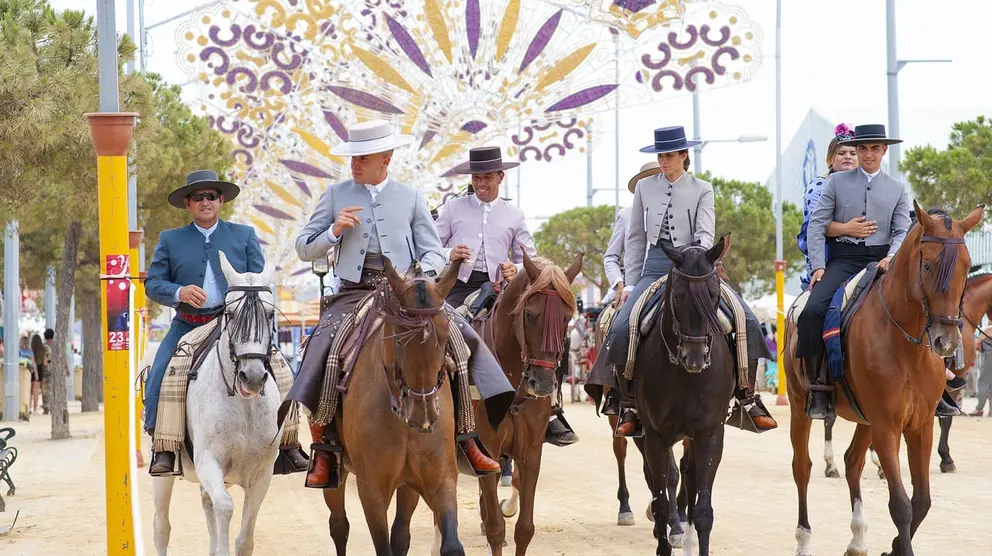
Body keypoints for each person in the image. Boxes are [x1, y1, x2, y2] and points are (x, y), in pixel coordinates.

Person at [283, 120, 514, 489]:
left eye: (363, 157)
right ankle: (324, 447)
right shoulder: (335, 195)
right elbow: (303, 246)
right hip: (353, 291)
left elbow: (432, 251)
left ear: (385, 159)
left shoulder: (411, 197)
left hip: (406, 292)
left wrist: (425, 282)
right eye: (353, 158)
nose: (355, 164)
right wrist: (333, 232)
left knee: (458, 335)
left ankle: (468, 437)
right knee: (321, 348)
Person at [594, 126, 778, 437]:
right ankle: (626, 401)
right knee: (623, 325)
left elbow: (706, 234)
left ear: (684, 156)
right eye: (660, 155)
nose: (663, 161)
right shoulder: (644, 189)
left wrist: (697, 264)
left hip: (694, 267)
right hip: (653, 267)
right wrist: (629, 284)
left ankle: (748, 396)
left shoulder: (703, 188)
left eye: (668, 155)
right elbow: (637, 239)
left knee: (745, 318)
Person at [144, 170, 310, 476]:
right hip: (187, 324)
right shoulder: (170, 240)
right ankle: (163, 446)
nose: (205, 202)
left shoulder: (243, 235)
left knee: (283, 370)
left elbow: (260, 281)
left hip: (234, 325)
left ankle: (289, 443)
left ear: (221, 201)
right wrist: (178, 291)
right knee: (161, 369)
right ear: (187, 204)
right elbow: (153, 284)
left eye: (211, 196)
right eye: (198, 197)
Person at [434, 145, 579, 446]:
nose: (481, 184)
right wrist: (449, 253)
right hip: (457, 290)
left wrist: (515, 268)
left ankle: (550, 409)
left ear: (500, 177)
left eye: (487, 177)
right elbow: (429, 247)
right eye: (476, 178)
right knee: (439, 336)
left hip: (501, 292)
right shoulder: (452, 209)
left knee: (543, 334)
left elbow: (531, 258)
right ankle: (440, 407)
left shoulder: (515, 215)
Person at [798, 124, 911, 419]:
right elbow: (817, 226)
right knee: (812, 312)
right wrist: (819, 266)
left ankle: (937, 389)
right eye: (863, 148)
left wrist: (892, 256)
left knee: (926, 306)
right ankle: (817, 387)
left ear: (884, 150)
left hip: (883, 261)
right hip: (844, 260)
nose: (868, 154)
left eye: (875, 148)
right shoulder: (835, 183)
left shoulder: (898, 188)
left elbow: (902, 229)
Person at [797, 123, 880, 292]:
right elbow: (816, 227)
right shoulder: (818, 187)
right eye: (841, 153)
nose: (847, 157)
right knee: (812, 310)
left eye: (852, 153)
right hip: (827, 262)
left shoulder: (872, 185)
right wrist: (848, 228)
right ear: (831, 159)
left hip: (867, 258)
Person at [598, 192, 635, 415]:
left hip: (679, 280)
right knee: (612, 325)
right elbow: (610, 257)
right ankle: (615, 389)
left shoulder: (684, 206)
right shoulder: (627, 215)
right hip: (634, 285)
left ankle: (743, 392)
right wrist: (620, 284)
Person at [971, 326, 992, 416]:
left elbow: (976, 343)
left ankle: (979, 408)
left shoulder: (989, 329)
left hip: (989, 357)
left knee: (983, 382)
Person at [30, 333, 46, 414]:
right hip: (39, 369)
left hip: (30, 369)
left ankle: (29, 408)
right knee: (36, 391)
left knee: (29, 391)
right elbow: (44, 362)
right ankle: (35, 409)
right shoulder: (42, 349)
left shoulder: (30, 349)